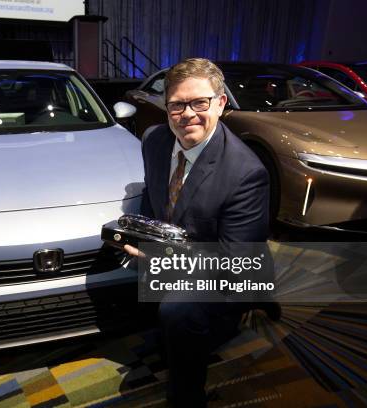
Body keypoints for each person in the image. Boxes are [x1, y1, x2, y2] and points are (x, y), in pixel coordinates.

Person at [124, 58, 270, 406]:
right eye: (176, 105)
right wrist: (144, 232)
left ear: (220, 103)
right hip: (176, 254)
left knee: (178, 310)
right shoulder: (154, 140)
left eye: (199, 103)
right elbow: (153, 195)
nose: (187, 114)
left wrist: (162, 260)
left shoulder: (246, 173)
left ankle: (187, 395)